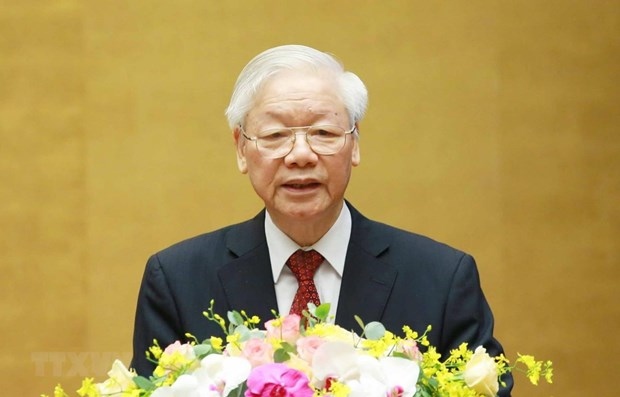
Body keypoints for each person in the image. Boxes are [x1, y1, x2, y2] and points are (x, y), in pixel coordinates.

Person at [130, 44, 513, 395]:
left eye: (323, 132)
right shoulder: (178, 280)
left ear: (355, 143)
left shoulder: (442, 279)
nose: (300, 154)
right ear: (242, 149)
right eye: (276, 134)